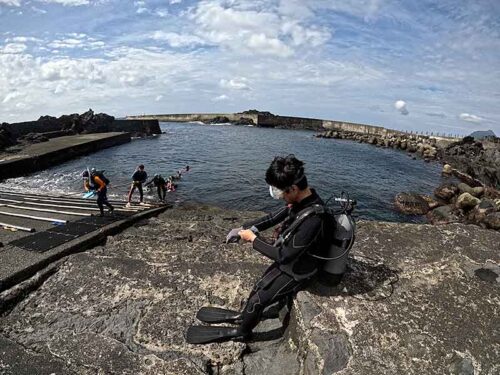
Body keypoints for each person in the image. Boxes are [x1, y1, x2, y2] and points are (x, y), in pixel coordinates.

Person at [187, 154, 336, 344]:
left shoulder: (314, 218)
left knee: (258, 300)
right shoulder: (301, 200)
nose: (277, 194)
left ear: (293, 188)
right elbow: (272, 218)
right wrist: (245, 228)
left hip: (301, 268)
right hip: (293, 258)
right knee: (258, 287)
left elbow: (284, 255)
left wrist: (253, 239)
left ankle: (242, 332)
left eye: (279, 190)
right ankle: (243, 317)